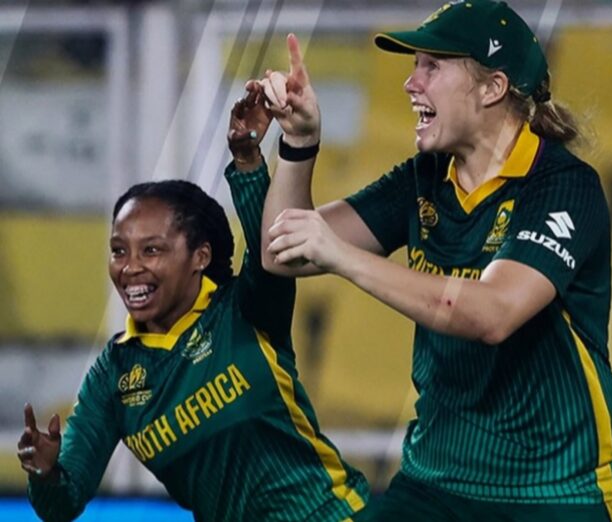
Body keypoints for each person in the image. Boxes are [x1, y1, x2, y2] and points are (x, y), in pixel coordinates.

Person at [254, 1, 612, 521]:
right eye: (415, 66)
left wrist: (340, 255)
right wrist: (298, 143)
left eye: (432, 66)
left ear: (492, 87)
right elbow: (281, 252)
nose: (411, 83)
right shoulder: (425, 177)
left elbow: (493, 313)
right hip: (437, 481)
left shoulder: (565, 186)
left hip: (560, 491)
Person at [16, 86, 369, 522]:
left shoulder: (245, 309)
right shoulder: (113, 375)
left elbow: (272, 247)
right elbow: (63, 504)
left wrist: (247, 161)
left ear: (200, 256)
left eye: (151, 250)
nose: (130, 268)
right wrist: (46, 474)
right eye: (119, 251)